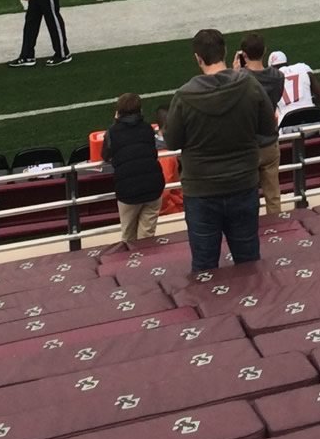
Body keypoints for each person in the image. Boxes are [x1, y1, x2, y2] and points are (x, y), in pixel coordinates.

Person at [159, 28, 274, 270]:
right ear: (225, 52)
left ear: (198, 58)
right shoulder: (248, 85)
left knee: (204, 266)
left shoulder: (185, 95)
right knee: (248, 262)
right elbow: (268, 128)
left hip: (202, 190)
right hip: (242, 183)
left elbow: (172, 142)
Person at [105, 93, 166, 245]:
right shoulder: (147, 129)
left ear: (118, 112)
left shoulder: (112, 132)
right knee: (147, 235)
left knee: (128, 236)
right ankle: (144, 265)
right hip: (153, 187)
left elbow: (105, 155)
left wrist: (115, 123)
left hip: (128, 191)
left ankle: (131, 265)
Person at [237, 33, 285, 216]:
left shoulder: (240, 78)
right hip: (269, 142)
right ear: (264, 51)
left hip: (248, 144)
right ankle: (277, 229)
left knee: (248, 194)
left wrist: (236, 71)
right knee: (273, 193)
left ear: (244, 54)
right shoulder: (278, 77)